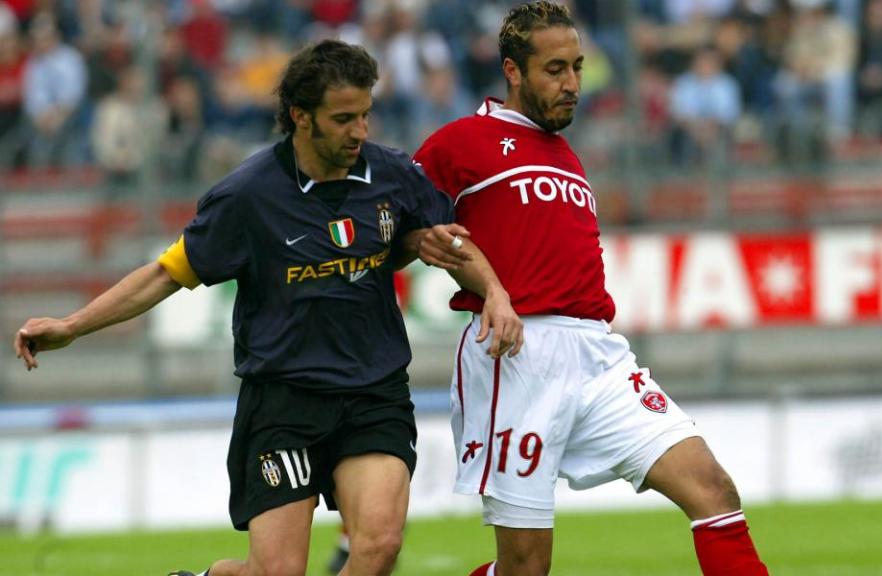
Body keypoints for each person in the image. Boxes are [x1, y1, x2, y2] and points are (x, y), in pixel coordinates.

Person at [13, 40, 521, 576]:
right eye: (344, 118)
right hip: (285, 403)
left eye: (366, 115)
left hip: (374, 393)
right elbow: (164, 275)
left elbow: (448, 241)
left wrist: (494, 293)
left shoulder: (393, 176)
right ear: (301, 117)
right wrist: (72, 325)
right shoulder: (247, 197)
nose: (360, 132)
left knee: (379, 545)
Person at [412, 3, 769, 575]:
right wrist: (474, 274)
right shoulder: (464, 142)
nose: (572, 84)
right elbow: (409, 227)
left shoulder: (564, 153)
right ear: (512, 71)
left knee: (712, 490)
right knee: (526, 567)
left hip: (599, 355)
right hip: (518, 356)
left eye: (577, 67)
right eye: (555, 69)